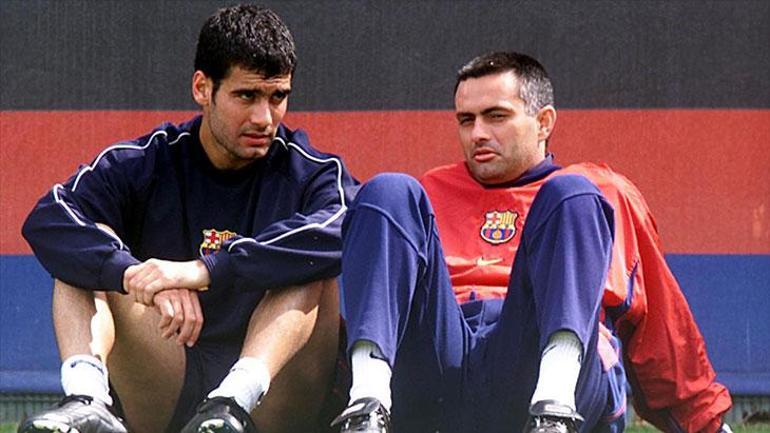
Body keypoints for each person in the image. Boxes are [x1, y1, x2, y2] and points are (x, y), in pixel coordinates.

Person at [330, 52, 732, 433]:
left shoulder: (599, 195)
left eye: (496, 116)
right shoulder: (427, 193)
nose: (478, 134)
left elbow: (661, 325)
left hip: (540, 364)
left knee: (572, 191)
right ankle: (367, 406)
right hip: (439, 370)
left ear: (544, 122)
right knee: (387, 190)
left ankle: (553, 412)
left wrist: (706, 424)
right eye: (466, 120)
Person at [20, 4, 356, 433]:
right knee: (85, 246)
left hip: (268, 395)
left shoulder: (311, 170)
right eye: (246, 96)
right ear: (202, 88)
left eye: (277, 97)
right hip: (167, 368)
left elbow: (348, 226)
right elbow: (49, 219)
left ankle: (231, 404)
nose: (264, 118)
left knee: (311, 261)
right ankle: (86, 401)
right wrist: (136, 276)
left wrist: (204, 270)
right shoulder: (148, 160)